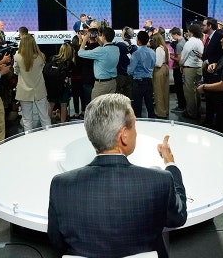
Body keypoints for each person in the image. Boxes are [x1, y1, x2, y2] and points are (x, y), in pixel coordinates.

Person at [48, 93, 187, 257]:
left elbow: (56, 241)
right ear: (124, 135)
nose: (136, 132)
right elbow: (178, 217)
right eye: (134, 126)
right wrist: (170, 163)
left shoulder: (61, 185)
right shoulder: (159, 180)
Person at [14, 35, 52, 131]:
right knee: (44, 117)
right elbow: (42, 69)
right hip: (39, 89)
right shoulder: (41, 56)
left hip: (24, 91)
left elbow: (16, 71)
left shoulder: (17, 56)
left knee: (27, 119)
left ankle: (29, 141)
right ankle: (50, 138)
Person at [77, 27, 120, 100]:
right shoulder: (116, 49)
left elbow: (80, 53)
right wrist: (99, 40)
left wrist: (84, 40)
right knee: (108, 107)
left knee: (95, 107)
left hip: (101, 85)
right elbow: (106, 47)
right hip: (113, 83)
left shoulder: (100, 51)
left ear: (104, 37)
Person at [200, 18, 223, 128]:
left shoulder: (218, 36)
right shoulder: (209, 38)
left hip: (214, 72)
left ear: (209, 26)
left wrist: (208, 61)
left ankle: (213, 121)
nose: (202, 27)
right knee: (208, 97)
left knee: (213, 97)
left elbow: (221, 53)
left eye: (204, 25)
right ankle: (209, 119)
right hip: (208, 71)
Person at [128, 30, 156, 118]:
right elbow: (153, 64)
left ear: (138, 41)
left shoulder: (136, 54)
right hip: (149, 81)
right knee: (150, 106)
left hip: (138, 82)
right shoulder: (152, 52)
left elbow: (130, 70)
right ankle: (153, 125)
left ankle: (139, 126)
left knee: (137, 107)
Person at [45, 42, 74, 123]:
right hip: (64, 87)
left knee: (51, 104)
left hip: (51, 86)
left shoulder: (52, 58)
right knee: (63, 105)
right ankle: (62, 124)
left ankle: (47, 123)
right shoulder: (68, 63)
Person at [180, 24, 204, 119]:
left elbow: (184, 56)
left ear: (191, 32)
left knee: (189, 92)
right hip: (198, 68)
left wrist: (181, 64)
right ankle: (197, 110)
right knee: (197, 91)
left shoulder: (190, 42)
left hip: (190, 69)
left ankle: (191, 112)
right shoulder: (200, 41)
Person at [114, 26, 137, 98]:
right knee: (129, 97)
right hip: (131, 75)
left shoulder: (119, 45)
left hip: (120, 75)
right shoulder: (135, 47)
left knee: (118, 97)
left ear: (125, 34)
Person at [152, 33, 170, 119]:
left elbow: (158, 63)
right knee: (165, 91)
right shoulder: (165, 47)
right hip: (166, 68)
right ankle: (165, 110)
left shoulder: (159, 49)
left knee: (158, 92)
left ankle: (160, 113)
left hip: (159, 70)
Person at [169, 27, 186, 112]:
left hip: (178, 69)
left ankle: (181, 106)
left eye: (173, 36)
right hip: (181, 69)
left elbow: (179, 60)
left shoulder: (179, 45)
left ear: (176, 34)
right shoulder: (184, 41)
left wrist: (171, 57)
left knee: (179, 88)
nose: (172, 38)